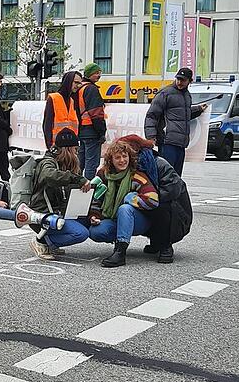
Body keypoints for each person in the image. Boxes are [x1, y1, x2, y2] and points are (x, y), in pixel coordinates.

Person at [118, 134, 191, 264]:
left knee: (158, 205)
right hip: (150, 205)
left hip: (176, 214)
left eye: (125, 152)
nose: (122, 158)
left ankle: (165, 245)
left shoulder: (158, 163)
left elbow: (173, 190)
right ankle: (155, 240)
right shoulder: (129, 166)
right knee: (132, 204)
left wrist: (148, 197)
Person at [88, 140, 160, 268]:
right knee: (96, 232)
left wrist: (131, 199)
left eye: (125, 156)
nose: (122, 160)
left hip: (138, 221)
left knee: (125, 208)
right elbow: (95, 197)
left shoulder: (136, 176)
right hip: (114, 219)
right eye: (118, 157)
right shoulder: (103, 174)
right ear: (111, 160)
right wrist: (94, 215)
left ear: (129, 157)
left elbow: (153, 200)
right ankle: (121, 234)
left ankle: (120, 251)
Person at [26, 129, 92, 260]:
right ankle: (42, 242)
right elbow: (49, 175)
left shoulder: (64, 163)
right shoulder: (48, 162)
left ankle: (50, 242)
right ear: (67, 149)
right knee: (81, 233)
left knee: (88, 221)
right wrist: (76, 179)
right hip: (43, 215)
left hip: (58, 212)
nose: (77, 153)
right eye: (75, 149)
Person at [144, 67, 207, 176]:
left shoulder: (187, 95)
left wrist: (198, 109)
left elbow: (183, 114)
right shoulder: (165, 93)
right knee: (166, 176)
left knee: (176, 177)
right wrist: (150, 136)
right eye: (178, 79)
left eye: (183, 80)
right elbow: (152, 115)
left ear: (189, 81)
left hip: (181, 143)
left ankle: (175, 193)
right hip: (167, 142)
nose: (179, 82)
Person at [76, 63, 108, 179]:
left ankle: (75, 186)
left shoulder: (80, 88)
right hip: (91, 131)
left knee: (81, 162)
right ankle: (88, 190)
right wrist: (101, 132)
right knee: (92, 164)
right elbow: (96, 114)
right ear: (89, 74)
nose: (99, 75)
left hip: (82, 131)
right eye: (96, 73)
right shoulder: (91, 89)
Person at [43, 71, 80, 149]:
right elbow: (47, 124)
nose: (78, 85)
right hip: (57, 146)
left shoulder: (72, 101)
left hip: (71, 146)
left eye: (79, 83)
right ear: (68, 81)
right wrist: (49, 146)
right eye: (76, 82)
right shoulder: (53, 98)